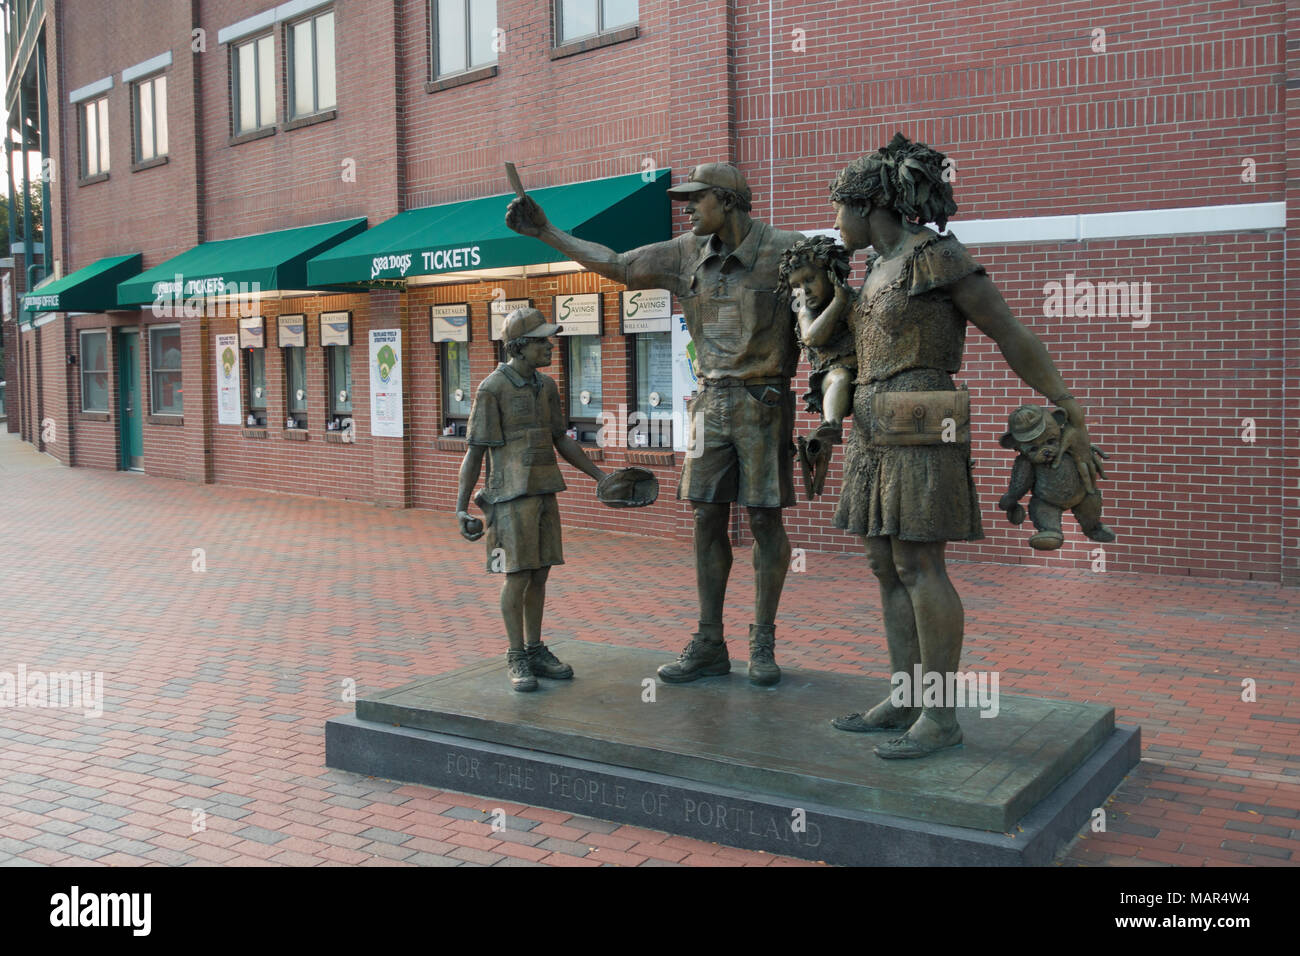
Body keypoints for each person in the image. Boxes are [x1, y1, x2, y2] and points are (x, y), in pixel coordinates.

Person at [827, 133, 1108, 758]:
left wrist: (1068, 406)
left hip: (925, 425)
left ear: (868, 204)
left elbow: (1008, 331)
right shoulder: (875, 268)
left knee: (920, 565)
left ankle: (941, 715)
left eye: (838, 208)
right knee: (885, 565)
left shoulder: (937, 258)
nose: (835, 222)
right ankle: (904, 695)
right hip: (873, 429)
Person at [505, 164, 804, 685]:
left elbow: (824, 323)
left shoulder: (788, 250)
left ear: (728, 201)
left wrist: (827, 410)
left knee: (762, 519)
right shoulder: (685, 250)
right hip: (711, 404)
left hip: (765, 401)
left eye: (696, 199)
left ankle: (763, 641)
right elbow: (617, 264)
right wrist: (546, 233)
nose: (686, 209)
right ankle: (710, 640)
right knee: (706, 517)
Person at [456, 307, 608, 692]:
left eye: (549, 339)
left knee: (540, 572)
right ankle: (516, 654)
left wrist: (601, 477)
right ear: (520, 347)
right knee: (517, 575)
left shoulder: (549, 387)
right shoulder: (492, 389)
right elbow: (474, 452)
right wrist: (459, 508)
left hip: (543, 489)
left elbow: (561, 439)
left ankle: (536, 648)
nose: (550, 346)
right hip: (508, 496)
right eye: (542, 341)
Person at [776, 235, 857, 499]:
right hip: (832, 372)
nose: (804, 290)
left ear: (831, 273)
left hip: (867, 372)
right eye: (796, 285)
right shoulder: (801, 307)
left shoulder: (854, 300)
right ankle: (830, 425)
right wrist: (838, 302)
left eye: (810, 279)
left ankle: (819, 450)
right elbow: (811, 336)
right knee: (839, 378)